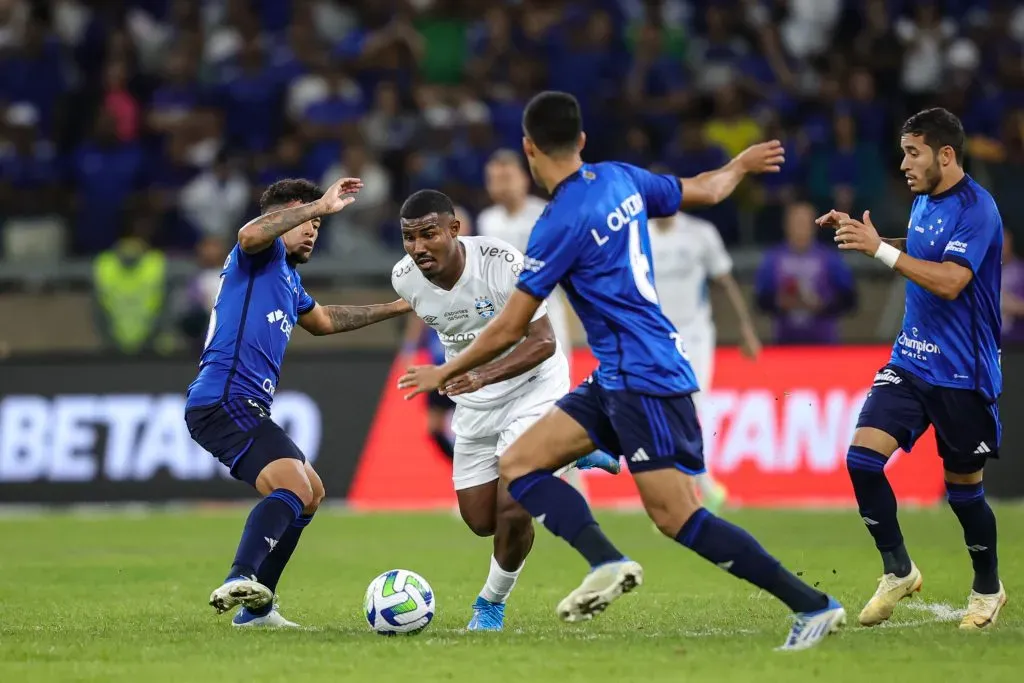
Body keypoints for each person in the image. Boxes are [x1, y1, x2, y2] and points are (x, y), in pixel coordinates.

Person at [398, 91, 845, 651]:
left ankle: (813, 604)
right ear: (582, 140)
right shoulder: (620, 179)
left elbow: (512, 327)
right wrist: (739, 165)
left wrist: (445, 371)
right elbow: (705, 189)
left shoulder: (557, 224)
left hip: (644, 376)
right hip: (617, 372)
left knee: (676, 516)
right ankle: (605, 558)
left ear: (529, 148)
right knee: (520, 463)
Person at [185, 178, 412, 627]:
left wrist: (397, 307)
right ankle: (240, 577)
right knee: (293, 487)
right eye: (306, 220)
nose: (312, 231)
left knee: (311, 493)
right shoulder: (259, 254)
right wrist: (319, 206)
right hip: (225, 397)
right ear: (281, 218)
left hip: (244, 403)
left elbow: (324, 320)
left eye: (318, 225)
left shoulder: (288, 279)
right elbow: (250, 233)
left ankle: (258, 611)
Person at [392, 189, 619, 631]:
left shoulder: (502, 263)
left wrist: (478, 375)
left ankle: (490, 605)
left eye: (428, 234)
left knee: (515, 504)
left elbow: (544, 342)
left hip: (533, 387)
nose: (418, 247)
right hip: (476, 404)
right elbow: (422, 308)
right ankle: (569, 448)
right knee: (481, 521)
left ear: (455, 229)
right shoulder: (404, 277)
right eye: (408, 237)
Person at [820, 108, 1007, 630]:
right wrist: (869, 238)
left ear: (945, 155)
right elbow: (922, 252)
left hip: (964, 374)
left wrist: (880, 250)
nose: (903, 164)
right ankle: (898, 570)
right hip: (911, 361)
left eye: (913, 153)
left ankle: (988, 588)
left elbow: (950, 280)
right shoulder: (924, 198)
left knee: (964, 494)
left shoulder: (978, 208)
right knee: (862, 461)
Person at [477, 149, 620, 486]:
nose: (500, 185)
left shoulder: (545, 215)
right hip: (502, 329)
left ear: (523, 178)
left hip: (545, 326)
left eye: (506, 177)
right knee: (503, 410)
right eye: (494, 179)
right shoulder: (487, 221)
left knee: (554, 407)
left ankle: (577, 485)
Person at [648, 208, 762, 513]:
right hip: (655, 337)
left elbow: (725, 281)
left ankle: (693, 490)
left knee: (690, 407)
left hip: (695, 336)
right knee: (664, 412)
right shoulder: (637, 234)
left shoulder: (700, 233)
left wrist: (745, 328)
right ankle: (696, 487)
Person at [755, 201, 858, 345]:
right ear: (786, 225)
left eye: (804, 223)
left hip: (824, 344)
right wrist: (780, 303)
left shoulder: (830, 258)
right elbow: (761, 300)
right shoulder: (773, 258)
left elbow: (849, 299)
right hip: (784, 343)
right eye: (796, 223)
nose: (800, 228)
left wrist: (823, 305)